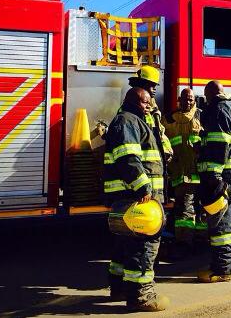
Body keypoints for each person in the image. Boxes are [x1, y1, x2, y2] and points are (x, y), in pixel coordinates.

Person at [103, 88, 169, 312]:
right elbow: (127, 158)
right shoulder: (128, 121)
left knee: (124, 246)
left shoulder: (132, 121)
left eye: (150, 102)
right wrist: (143, 186)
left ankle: (120, 288)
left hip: (128, 197)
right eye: (145, 102)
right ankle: (141, 297)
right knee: (143, 246)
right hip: (137, 197)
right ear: (132, 101)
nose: (149, 106)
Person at [197, 81, 231, 282]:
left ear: (211, 95)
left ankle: (222, 269)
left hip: (223, 174)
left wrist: (214, 175)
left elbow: (219, 144)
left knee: (221, 222)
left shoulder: (218, 109)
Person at [164, 88, 203, 257]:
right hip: (180, 174)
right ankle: (185, 242)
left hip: (200, 173)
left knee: (199, 210)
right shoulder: (169, 119)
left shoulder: (202, 117)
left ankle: (196, 242)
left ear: (195, 101)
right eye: (185, 99)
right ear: (179, 100)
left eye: (191, 99)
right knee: (183, 210)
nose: (188, 102)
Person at [128, 65, 173, 167]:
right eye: (152, 86)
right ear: (141, 85)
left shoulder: (152, 108)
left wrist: (167, 150)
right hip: (142, 165)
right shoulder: (131, 109)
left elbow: (159, 132)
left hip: (153, 165)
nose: (154, 90)